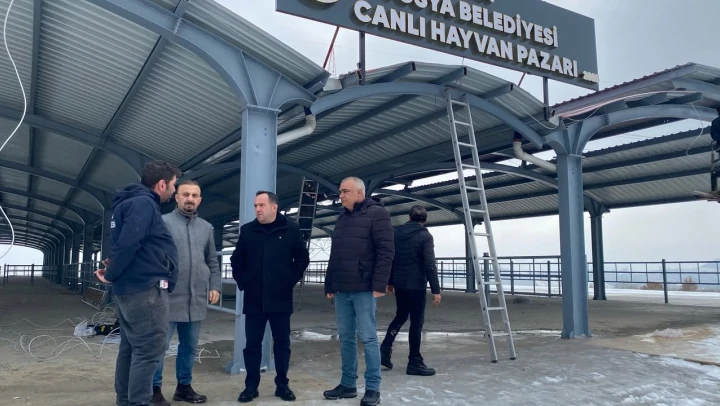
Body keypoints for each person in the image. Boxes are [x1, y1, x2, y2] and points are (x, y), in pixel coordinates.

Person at [95, 160, 181, 406]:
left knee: (130, 348)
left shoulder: (127, 204)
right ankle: (137, 402)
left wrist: (113, 270)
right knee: (148, 351)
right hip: (146, 290)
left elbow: (124, 244)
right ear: (162, 184)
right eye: (173, 185)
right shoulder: (143, 204)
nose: (174, 190)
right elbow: (129, 243)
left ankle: (125, 400)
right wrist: (111, 274)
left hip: (130, 288)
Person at [230, 191, 310, 403]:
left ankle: (282, 384)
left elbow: (302, 258)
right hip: (254, 298)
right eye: (256, 205)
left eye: (262, 205)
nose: (257, 209)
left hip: (280, 298)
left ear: (274, 207)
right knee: (252, 344)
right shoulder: (248, 231)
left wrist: (289, 280)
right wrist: (244, 282)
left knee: (282, 343)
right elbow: (236, 260)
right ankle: (251, 386)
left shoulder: (290, 229)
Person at [322, 177, 394, 406]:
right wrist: (330, 283)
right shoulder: (342, 218)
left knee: (368, 338)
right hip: (342, 289)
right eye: (340, 192)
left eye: (345, 191)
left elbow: (386, 250)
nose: (341, 196)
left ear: (360, 193)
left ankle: (373, 388)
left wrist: (380, 284)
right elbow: (335, 254)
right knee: (346, 338)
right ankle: (348, 384)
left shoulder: (378, 214)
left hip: (364, 288)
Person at [151, 180, 222, 405]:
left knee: (189, 347)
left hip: (196, 297)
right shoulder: (163, 223)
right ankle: (154, 389)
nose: (190, 198)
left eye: (194, 195)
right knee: (160, 347)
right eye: (185, 194)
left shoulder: (206, 228)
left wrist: (215, 285)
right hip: (168, 296)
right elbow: (153, 257)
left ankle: (184, 387)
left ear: (199, 200)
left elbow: (212, 260)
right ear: (177, 197)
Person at [380, 205, 441, 376]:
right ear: (425, 220)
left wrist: (390, 282)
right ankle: (414, 361)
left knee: (400, 316)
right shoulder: (425, 236)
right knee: (416, 322)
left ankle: (385, 348)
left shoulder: (397, 234)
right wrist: (436, 290)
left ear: (409, 217)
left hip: (400, 283)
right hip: (416, 285)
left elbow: (392, 258)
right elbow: (429, 264)